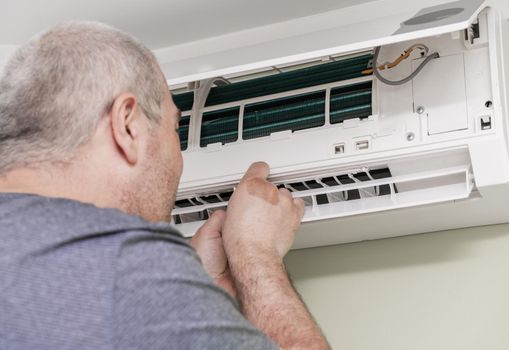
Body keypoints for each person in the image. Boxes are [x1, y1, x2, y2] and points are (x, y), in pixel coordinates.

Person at [0, 21, 330, 349]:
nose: (179, 158)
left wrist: (196, 282)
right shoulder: (126, 263)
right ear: (127, 126)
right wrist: (255, 255)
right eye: (175, 129)